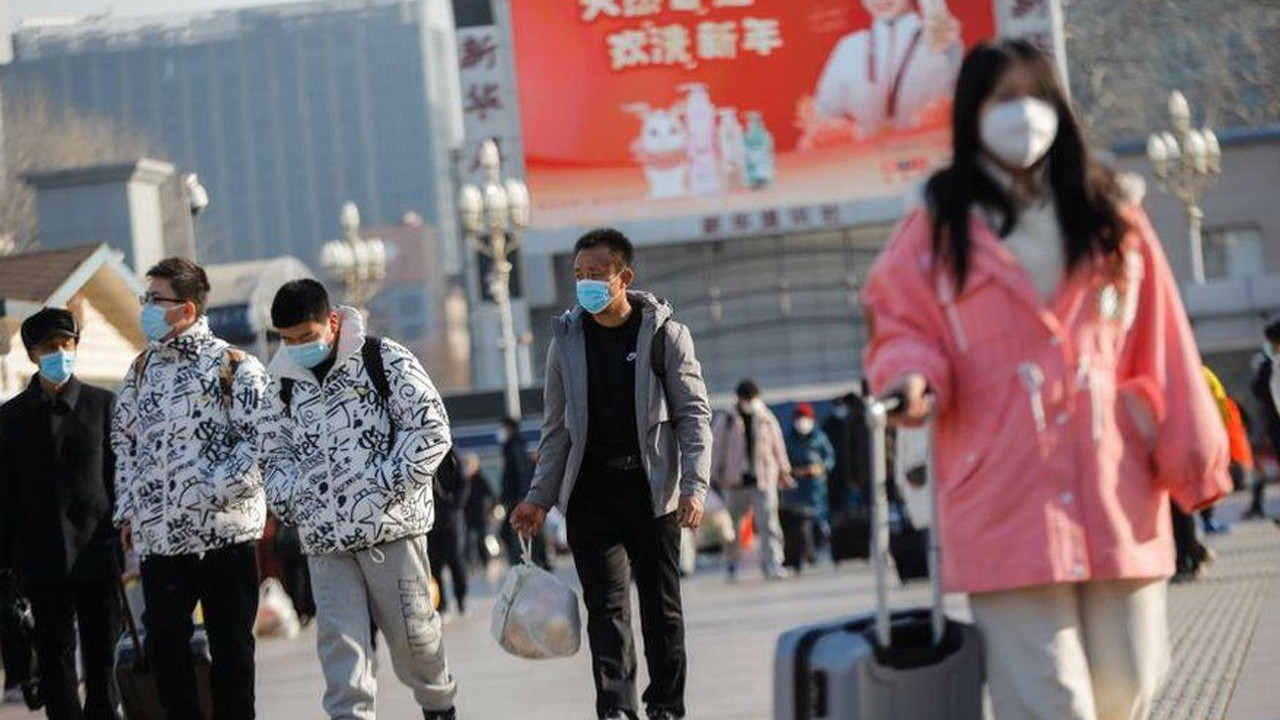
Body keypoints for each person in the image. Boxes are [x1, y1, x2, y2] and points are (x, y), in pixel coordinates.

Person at [863, 40, 1231, 720]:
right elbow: (902, 326)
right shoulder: (936, 226)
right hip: (1000, 492)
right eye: (1005, 98)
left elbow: (1164, 341)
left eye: (1036, 96)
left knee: (1129, 683)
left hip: (1114, 483)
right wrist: (911, 378)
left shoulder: (1112, 216)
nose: (1024, 113)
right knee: (1049, 701)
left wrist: (1195, 458)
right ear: (973, 112)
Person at [509, 228, 712, 720]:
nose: (585, 284)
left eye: (596, 275)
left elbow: (693, 415)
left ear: (624, 277)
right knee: (606, 609)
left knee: (662, 609)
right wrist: (538, 498)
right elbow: (556, 430)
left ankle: (665, 704)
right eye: (579, 275)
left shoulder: (665, 335)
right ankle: (616, 707)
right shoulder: (565, 341)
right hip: (591, 496)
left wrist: (694, 486)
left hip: (653, 495)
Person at [259, 280, 457, 720]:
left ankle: (439, 707)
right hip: (325, 541)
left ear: (331, 321)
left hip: (391, 530)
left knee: (416, 640)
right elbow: (271, 456)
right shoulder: (280, 384)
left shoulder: (382, 359)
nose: (297, 347)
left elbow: (430, 428)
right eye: (287, 340)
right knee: (341, 650)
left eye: (307, 336)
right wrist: (294, 500)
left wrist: (383, 483)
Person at [112, 258, 268, 720]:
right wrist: (129, 510)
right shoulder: (141, 370)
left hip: (226, 538)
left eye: (154, 299)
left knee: (232, 654)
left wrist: (209, 491)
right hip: (161, 542)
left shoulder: (235, 366)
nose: (146, 308)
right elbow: (123, 443)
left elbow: (261, 442)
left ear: (186, 309)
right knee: (165, 649)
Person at [0, 309, 122, 720]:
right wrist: (6, 565)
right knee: (55, 660)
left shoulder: (103, 405)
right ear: (32, 355)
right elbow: (5, 496)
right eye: (49, 347)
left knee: (104, 655)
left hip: (98, 551)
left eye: (66, 344)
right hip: (40, 557)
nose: (59, 353)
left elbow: (119, 479)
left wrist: (126, 538)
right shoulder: (10, 419)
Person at [813, 0, 963, 136]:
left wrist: (951, 51)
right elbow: (823, 113)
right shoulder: (850, 47)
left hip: (932, 149)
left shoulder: (941, 40)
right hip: (868, 153)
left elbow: (960, 99)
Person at [711, 380, 793, 582]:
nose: (750, 403)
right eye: (747, 399)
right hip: (735, 482)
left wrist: (784, 471)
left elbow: (778, 446)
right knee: (733, 526)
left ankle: (773, 562)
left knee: (769, 523)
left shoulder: (766, 418)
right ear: (739, 399)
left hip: (762, 480)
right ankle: (732, 563)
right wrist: (712, 476)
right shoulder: (727, 420)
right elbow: (715, 448)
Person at [498, 416, 549, 569]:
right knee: (520, 530)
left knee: (514, 530)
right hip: (515, 497)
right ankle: (534, 560)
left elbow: (520, 473)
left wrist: (521, 496)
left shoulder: (514, 447)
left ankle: (523, 562)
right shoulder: (513, 446)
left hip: (517, 497)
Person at [783, 403, 835, 551]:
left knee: (819, 520)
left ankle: (822, 545)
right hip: (796, 488)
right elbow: (784, 460)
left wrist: (820, 468)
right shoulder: (789, 439)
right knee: (800, 522)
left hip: (816, 487)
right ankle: (805, 549)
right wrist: (793, 471)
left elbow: (830, 458)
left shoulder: (820, 438)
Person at [429, 450, 471, 620]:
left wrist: (453, 506)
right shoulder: (418, 452)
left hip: (452, 521)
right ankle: (441, 605)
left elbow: (463, 484)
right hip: (430, 523)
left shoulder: (452, 454)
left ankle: (461, 600)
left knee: (455, 560)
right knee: (434, 566)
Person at [1246, 320, 1280, 520]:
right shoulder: (1272, 364)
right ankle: (1256, 506)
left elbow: (1259, 390)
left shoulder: (1271, 365)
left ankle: (1256, 506)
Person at [461, 453, 496, 568]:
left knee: (481, 539)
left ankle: (485, 562)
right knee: (467, 541)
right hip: (467, 516)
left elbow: (492, 495)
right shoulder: (463, 481)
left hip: (480, 515)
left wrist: (490, 510)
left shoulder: (481, 480)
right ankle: (468, 564)